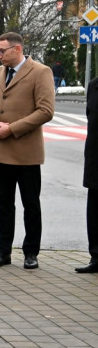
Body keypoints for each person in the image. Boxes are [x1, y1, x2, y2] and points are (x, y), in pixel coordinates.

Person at [0, 31, 55, 269]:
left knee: (30, 205)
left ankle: (31, 252)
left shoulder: (40, 72)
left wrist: (12, 129)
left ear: (17, 49)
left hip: (26, 152)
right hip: (0, 150)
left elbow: (45, 111)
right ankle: (3, 252)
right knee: (4, 205)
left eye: (2, 51)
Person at [79, 76, 98, 273]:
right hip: (95, 157)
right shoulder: (94, 86)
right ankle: (96, 257)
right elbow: (90, 117)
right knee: (94, 211)